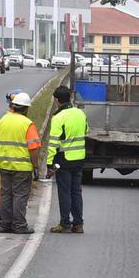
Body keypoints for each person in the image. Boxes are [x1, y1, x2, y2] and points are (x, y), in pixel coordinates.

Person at [0, 91, 41, 233]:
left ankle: (4, 225)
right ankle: (19, 225)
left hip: (3, 165)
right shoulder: (27, 124)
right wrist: (35, 166)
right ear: (26, 109)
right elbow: (34, 148)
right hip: (22, 167)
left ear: (13, 106)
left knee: (6, 195)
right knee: (20, 195)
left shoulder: (2, 121)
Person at [46, 83, 87, 234]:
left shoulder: (58, 117)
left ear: (57, 100)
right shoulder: (80, 113)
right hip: (80, 158)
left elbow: (53, 143)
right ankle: (78, 224)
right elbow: (86, 131)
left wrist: (50, 164)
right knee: (76, 191)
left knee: (64, 192)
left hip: (64, 159)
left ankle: (65, 223)